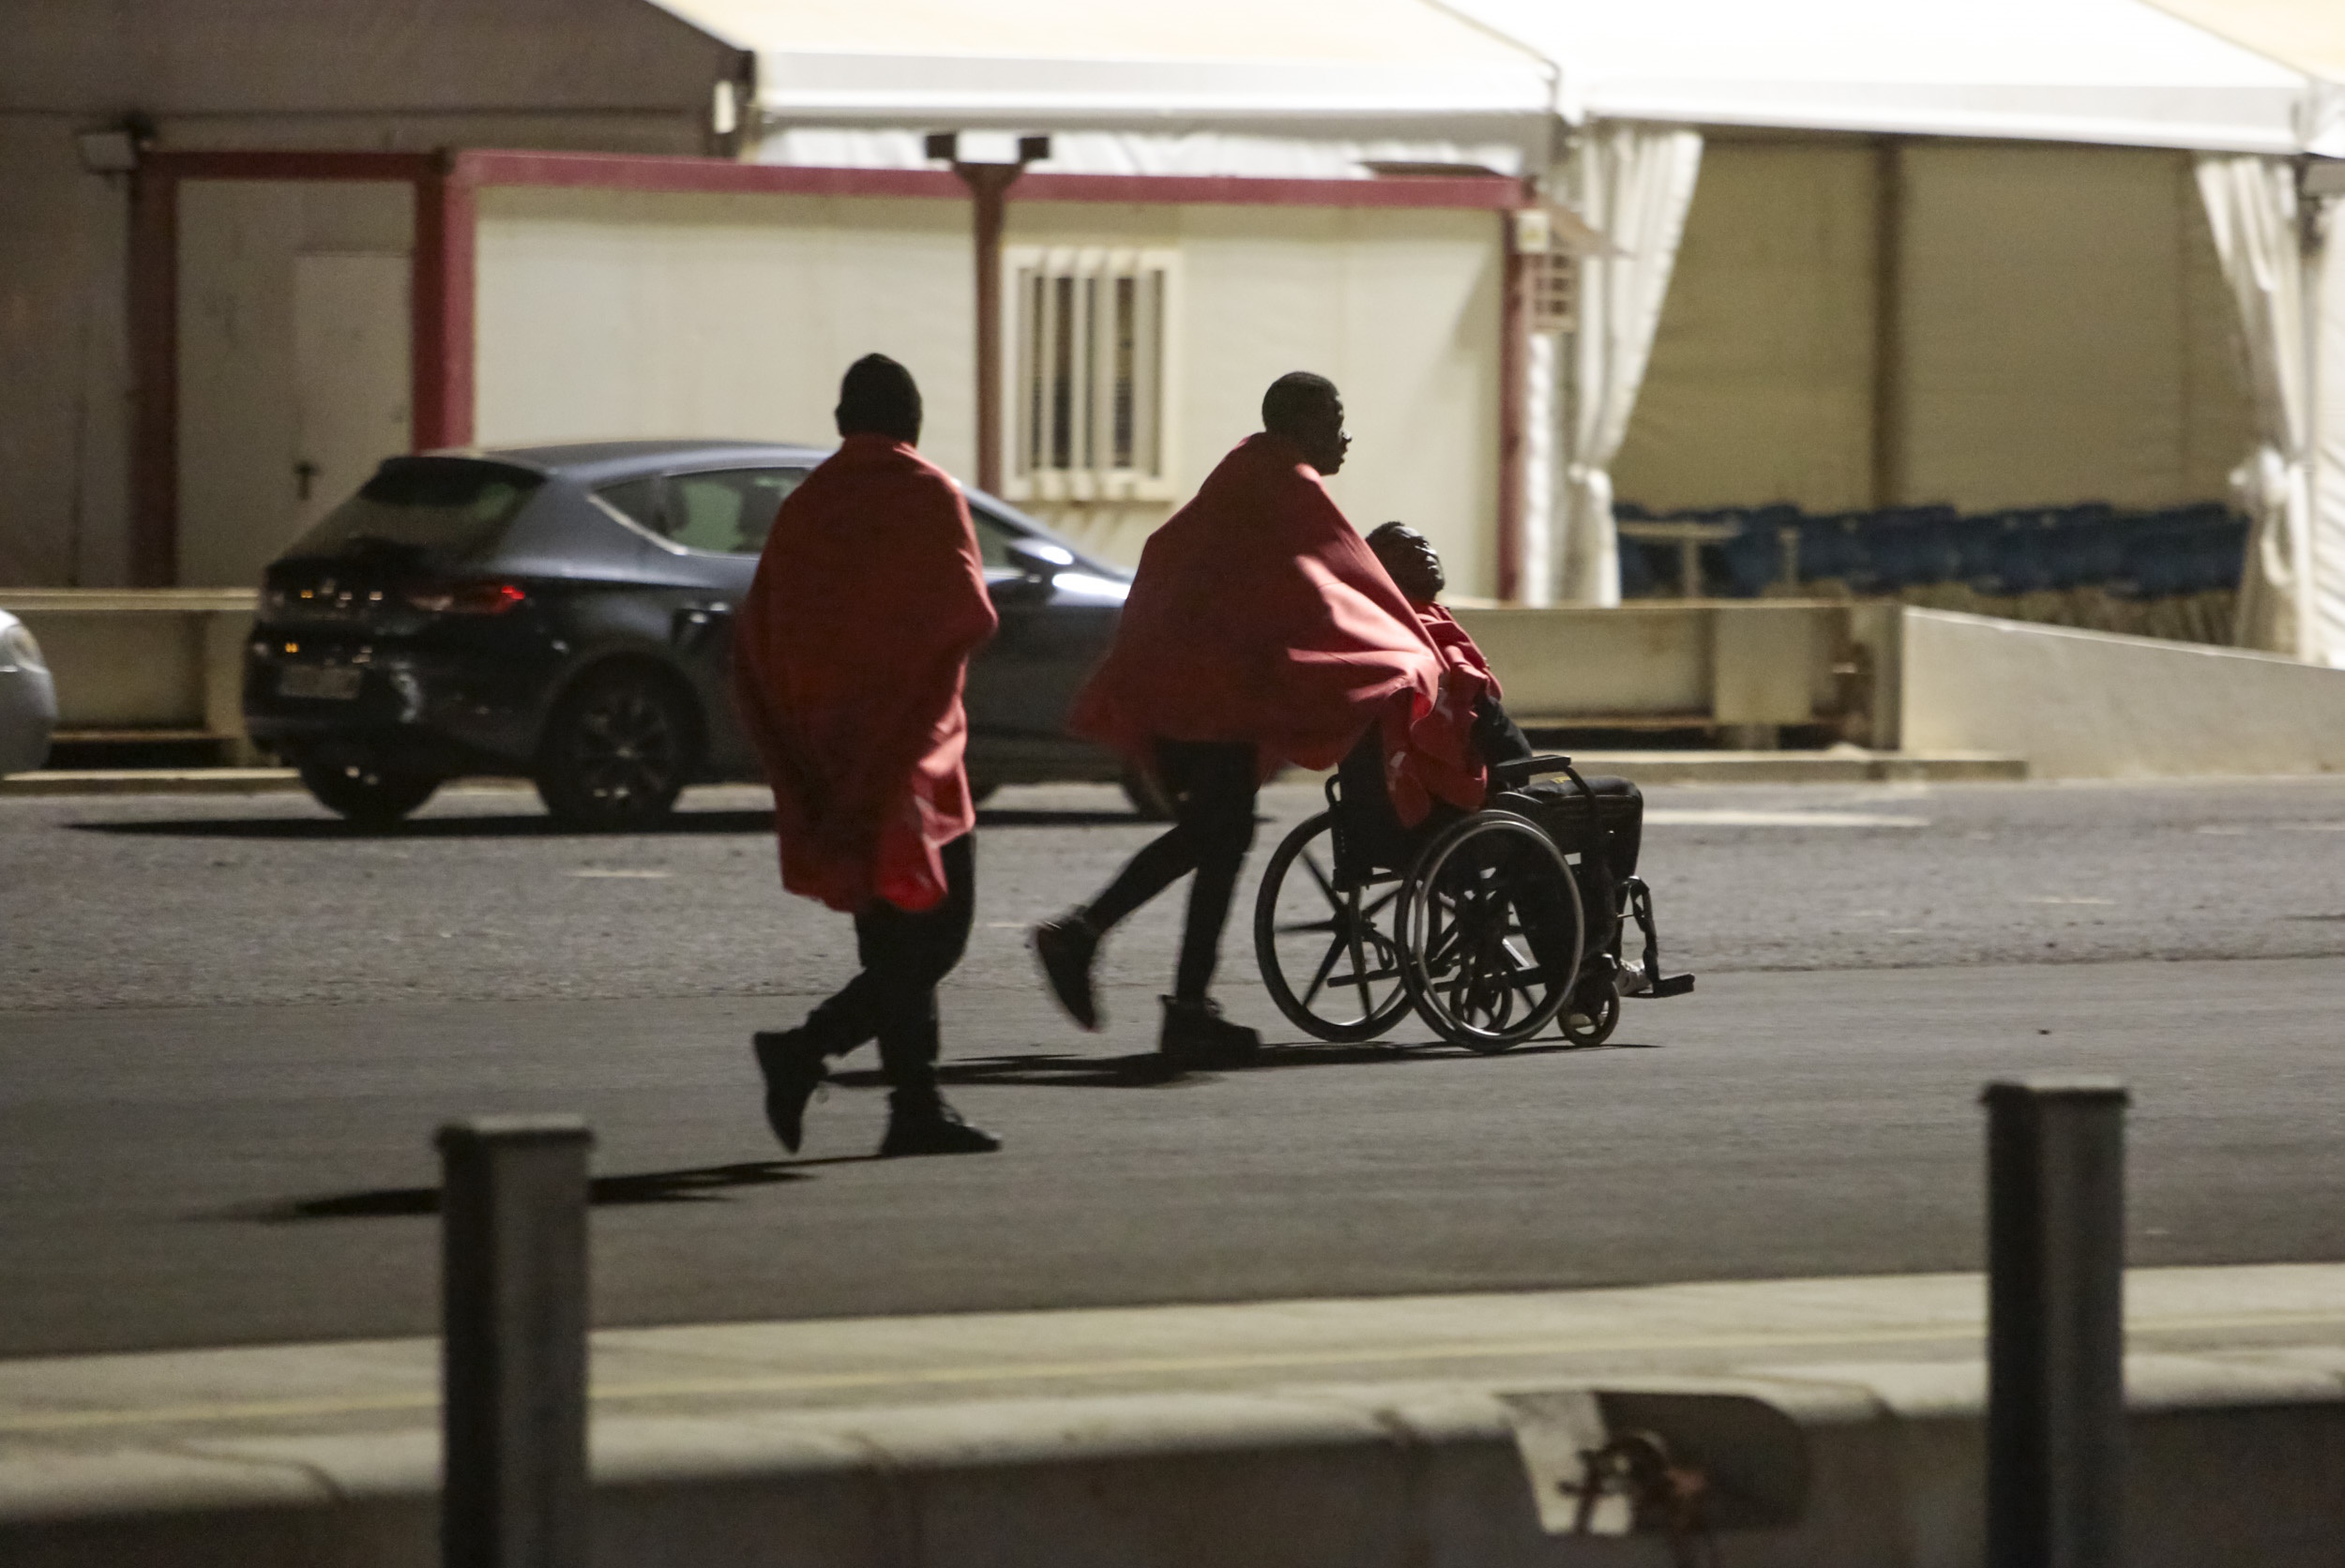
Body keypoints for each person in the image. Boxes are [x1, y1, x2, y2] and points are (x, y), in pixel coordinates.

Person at [1030, 374, 1475, 1066]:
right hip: (1213, 696)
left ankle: (1120, 959)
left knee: (1213, 835)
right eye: (1335, 418)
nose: (1344, 435)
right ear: (1300, 423)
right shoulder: (1290, 487)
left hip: (1186, 684)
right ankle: (1148, 983)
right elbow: (1351, 584)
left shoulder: (1244, 472)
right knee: (1219, 836)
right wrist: (1410, 653)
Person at [735, 354, 1002, 1157]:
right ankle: (806, 1047)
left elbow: (760, 633)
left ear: (843, 421)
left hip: (832, 744)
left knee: (888, 932)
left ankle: (915, 1103)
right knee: (940, 931)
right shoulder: (927, 492)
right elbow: (967, 614)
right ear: (912, 421)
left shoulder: (807, 505)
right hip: (913, 750)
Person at [1363, 520, 1646, 948]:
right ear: (1383, 573)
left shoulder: (1370, 637)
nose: (1426, 552)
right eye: (1408, 550)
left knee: (1529, 812)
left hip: (1391, 823)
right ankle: (1597, 950)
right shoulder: (1435, 645)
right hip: (1455, 821)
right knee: (1620, 797)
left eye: (1426, 543)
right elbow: (1500, 742)